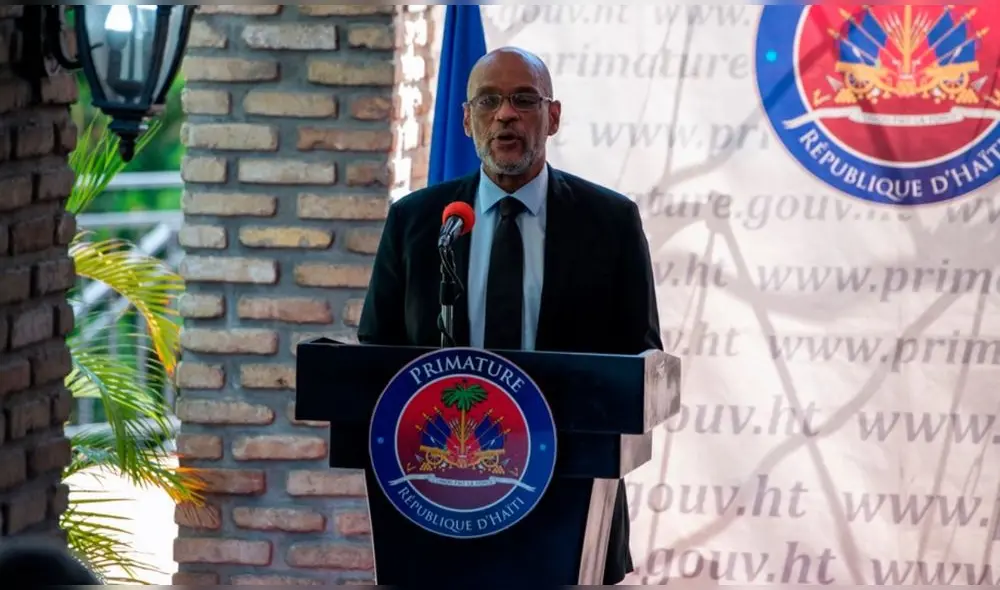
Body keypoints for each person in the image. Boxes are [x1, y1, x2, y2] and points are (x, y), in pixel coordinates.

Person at [358, 46, 662, 585]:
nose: (506, 115)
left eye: (524, 100)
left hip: (569, 502)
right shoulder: (419, 223)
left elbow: (639, 358)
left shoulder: (610, 223)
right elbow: (375, 355)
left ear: (553, 116)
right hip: (439, 501)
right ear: (466, 119)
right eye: (489, 101)